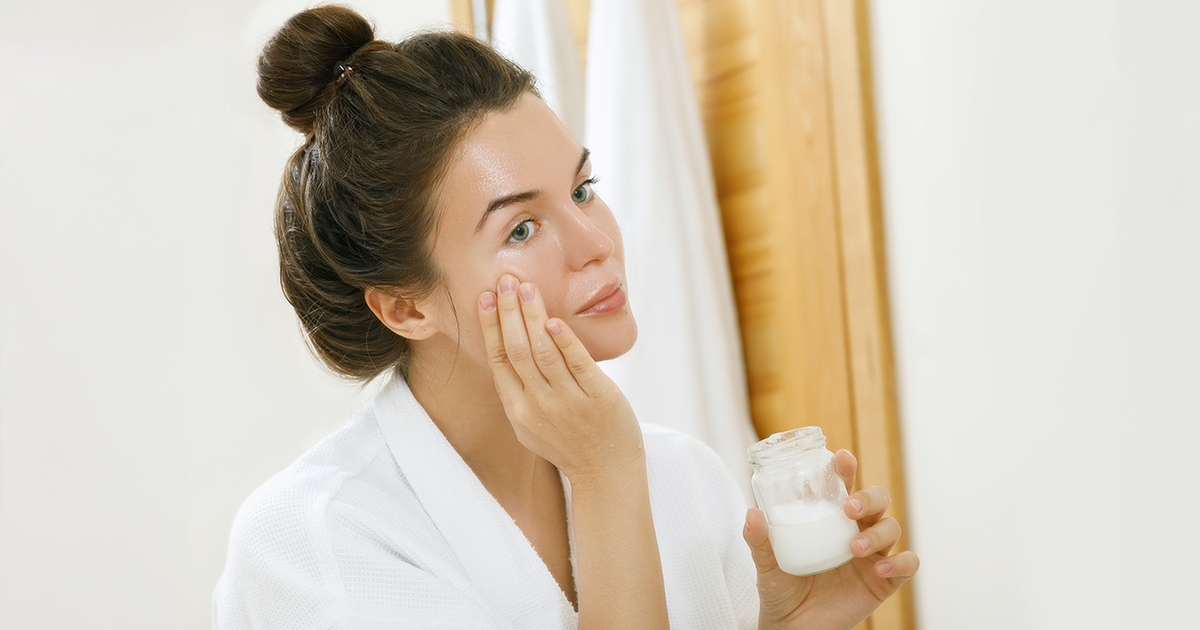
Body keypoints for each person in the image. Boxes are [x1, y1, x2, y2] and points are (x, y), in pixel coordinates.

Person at [214, 6, 918, 629]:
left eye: (583, 190)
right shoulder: (319, 544)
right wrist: (606, 478)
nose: (597, 243)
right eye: (520, 229)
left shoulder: (687, 481)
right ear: (405, 306)